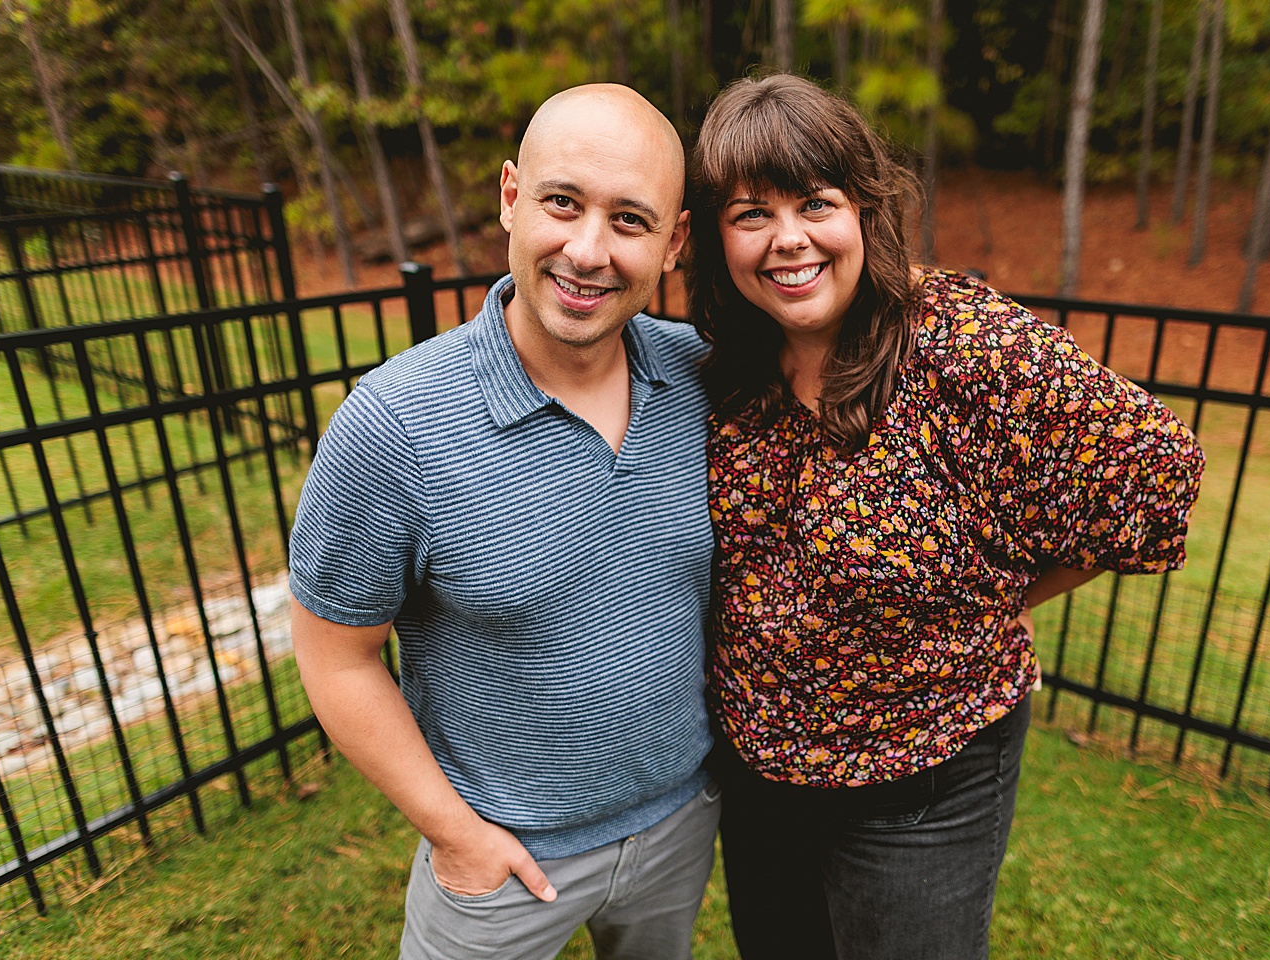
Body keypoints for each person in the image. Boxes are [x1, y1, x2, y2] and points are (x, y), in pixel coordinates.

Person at [684, 73, 1205, 960]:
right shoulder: (726, 364)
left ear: (864, 210)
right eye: (750, 214)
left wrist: (994, 597)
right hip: (762, 772)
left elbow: (1155, 469)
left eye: (816, 202)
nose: (788, 240)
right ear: (714, 237)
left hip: (921, 773)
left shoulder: (960, 344)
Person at [288, 84, 719, 960]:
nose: (588, 250)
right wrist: (456, 834)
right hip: (501, 860)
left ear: (673, 242)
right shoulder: (394, 424)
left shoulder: (706, 382)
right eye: (564, 203)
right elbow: (337, 658)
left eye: (630, 221)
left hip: (682, 821)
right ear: (511, 197)